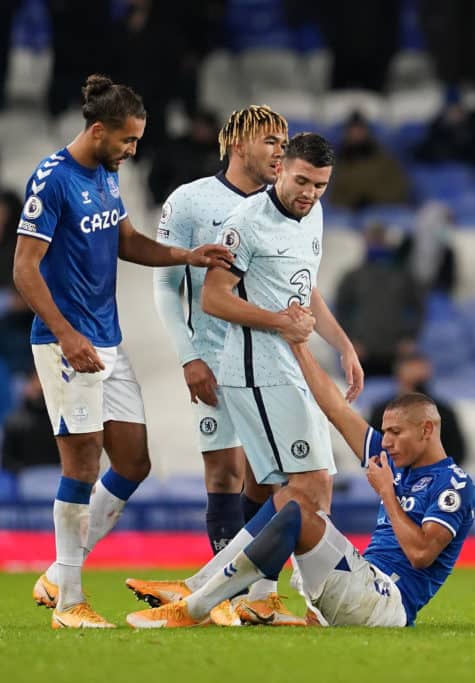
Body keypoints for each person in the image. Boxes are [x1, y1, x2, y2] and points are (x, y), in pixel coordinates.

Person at [12, 74, 233, 629]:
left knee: (133, 462)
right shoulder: (52, 179)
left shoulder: (110, 176)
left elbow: (125, 240)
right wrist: (65, 334)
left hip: (108, 341)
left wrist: (188, 256)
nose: (133, 150)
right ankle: (69, 604)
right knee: (82, 466)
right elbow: (23, 269)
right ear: (97, 129)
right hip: (67, 343)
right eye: (128, 140)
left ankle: (61, 573)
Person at [120, 135, 364, 617]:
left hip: (292, 366)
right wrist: (279, 323)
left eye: (320, 185)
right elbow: (213, 298)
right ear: (281, 171)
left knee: (307, 492)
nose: (310, 193)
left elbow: (303, 287)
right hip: (257, 369)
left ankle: (213, 590)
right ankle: (235, 597)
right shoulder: (246, 222)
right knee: (308, 489)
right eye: (302, 181)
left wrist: (343, 344)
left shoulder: (311, 214)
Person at [124, 338, 475, 629]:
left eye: (396, 433)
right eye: (385, 433)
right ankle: (214, 592)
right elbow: (336, 408)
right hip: (363, 582)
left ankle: (195, 607)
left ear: (427, 430)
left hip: (387, 605)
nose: (386, 442)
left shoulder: (453, 486)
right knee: (290, 498)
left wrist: (386, 492)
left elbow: (420, 554)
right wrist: (297, 345)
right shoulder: (393, 460)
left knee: (296, 508)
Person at [152, 104, 305, 626]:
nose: (281, 151)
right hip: (214, 360)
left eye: (285, 141)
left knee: (273, 479)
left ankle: (248, 590)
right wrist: (189, 356)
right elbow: (165, 287)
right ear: (239, 145)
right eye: (271, 141)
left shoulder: (284, 203)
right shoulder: (190, 201)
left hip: (269, 357)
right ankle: (233, 595)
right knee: (224, 470)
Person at [336, 223, 424, 376]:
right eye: (373, 238)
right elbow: (340, 310)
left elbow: (418, 308)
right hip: (363, 351)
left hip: (396, 351)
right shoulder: (353, 276)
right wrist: (350, 341)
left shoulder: (403, 276)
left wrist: (409, 338)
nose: (376, 242)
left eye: (379, 238)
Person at [368, 351, 466, 467]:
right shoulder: (381, 412)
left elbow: (457, 451)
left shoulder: (443, 412)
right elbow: (372, 450)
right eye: (412, 369)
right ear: (399, 374)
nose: (418, 374)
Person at [329, 112, 411, 209]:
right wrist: (352, 201)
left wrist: (374, 199)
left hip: (381, 209)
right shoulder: (339, 162)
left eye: (359, 131)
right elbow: (333, 195)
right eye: (352, 132)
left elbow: (399, 188)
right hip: (350, 212)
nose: (356, 135)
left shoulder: (383, 158)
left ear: (366, 132)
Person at [0, 373, 61, 474]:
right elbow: (6, 461)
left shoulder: (65, 422)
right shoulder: (14, 422)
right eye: (35, 383)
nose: (39, 387)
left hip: (58, 478)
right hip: (25, 482)